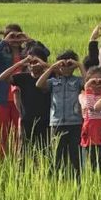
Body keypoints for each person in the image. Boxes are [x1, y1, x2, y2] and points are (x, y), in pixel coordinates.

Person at [0, 24, 35, 159]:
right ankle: (2, 159)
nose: (15, 39)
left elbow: (45, 53)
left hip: (20, 98)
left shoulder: (27, 53)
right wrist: (4, 41)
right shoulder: (3, 53)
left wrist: (28, 39)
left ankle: (16, 158)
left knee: (17, 131)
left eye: (17, 36)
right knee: (2, 132)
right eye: (12, 36)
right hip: (2, 97)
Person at [36, 50, 86, 179]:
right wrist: (52, 67)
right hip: (57, 123)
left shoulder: (77, 81)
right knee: (56, 154)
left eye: (69, 65)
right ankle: (56, 180)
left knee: (75, 155)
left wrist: (79, 65)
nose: (65, 68)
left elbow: (88, 84)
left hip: (75, 123)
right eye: (62, 65)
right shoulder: (53, 81)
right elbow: (39, 84)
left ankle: (78, 180)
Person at [0, 46, 52, 160]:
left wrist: (43, 64)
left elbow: (58, 71)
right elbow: (2, 77)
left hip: (46, 121)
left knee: (45, 152)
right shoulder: (23, 77)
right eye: (31, 62)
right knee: (24, 154)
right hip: (26, 121)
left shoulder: (50, 77)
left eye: (36, 62)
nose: (33, 65)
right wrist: (21, 63)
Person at [79, 66, 101, 170]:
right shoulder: (83, 96)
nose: (96, 85)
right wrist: (88, 87)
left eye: (100, 81)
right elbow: (91, 107)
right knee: (89, 167)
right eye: (93, 82)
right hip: (90, 138)